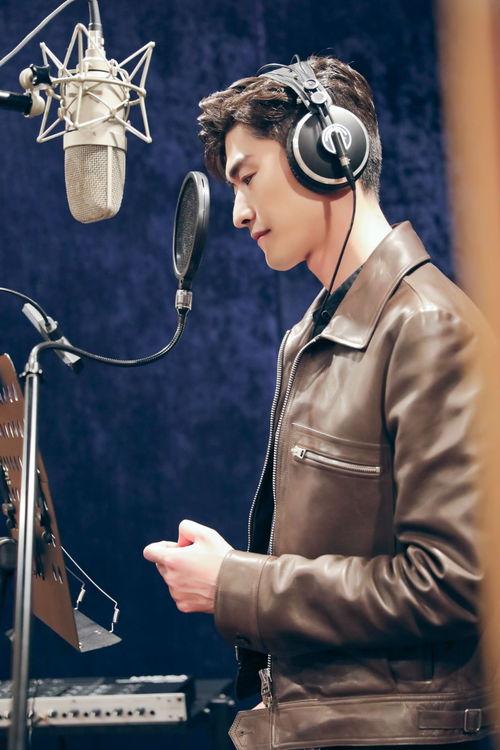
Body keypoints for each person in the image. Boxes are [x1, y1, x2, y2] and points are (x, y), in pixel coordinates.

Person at [143, 54, 492, 750]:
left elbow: (454, 583)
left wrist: (235, 585)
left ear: (328, 153)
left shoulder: (428, 327)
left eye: (248, 177)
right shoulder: (309, 336)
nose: (238, 212)